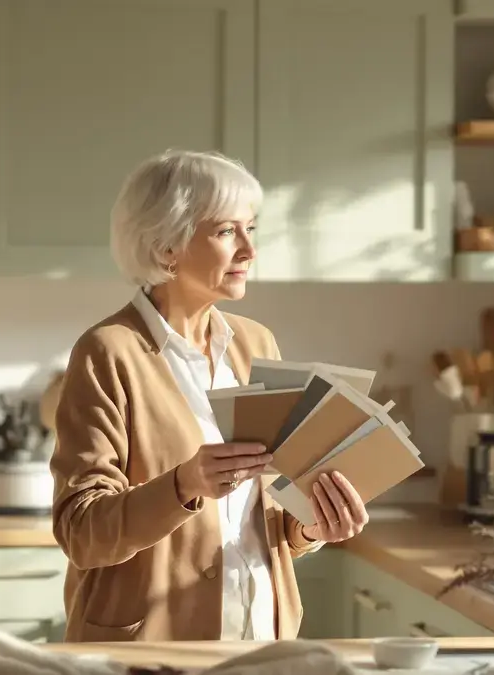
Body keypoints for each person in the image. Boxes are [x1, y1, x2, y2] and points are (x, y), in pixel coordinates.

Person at [49, 149, 370, 643]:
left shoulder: (256, 343)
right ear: (166, 248)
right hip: (150, 645)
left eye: (251, 229)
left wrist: (311, 527)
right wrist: (183, 484)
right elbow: (81, 533)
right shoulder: (108, 353)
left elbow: (265, 519)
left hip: (261, 636)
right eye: (226, 232)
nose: (248, 250)